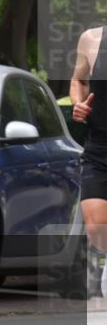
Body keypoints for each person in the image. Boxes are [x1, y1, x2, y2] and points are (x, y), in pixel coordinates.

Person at [71, 24, 107, 298]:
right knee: (95, 226)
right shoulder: (92, 39)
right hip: (99, 146)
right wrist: (78, 104)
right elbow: (79, 80)